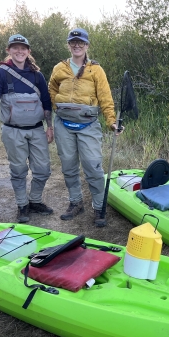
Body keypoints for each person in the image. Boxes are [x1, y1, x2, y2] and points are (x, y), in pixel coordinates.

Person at [0, 34, 54, 223]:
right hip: (12, 131)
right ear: (9, 50)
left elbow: (46, 102)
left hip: (37, 129)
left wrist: (50, 127)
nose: (19, 51)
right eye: (15, 48)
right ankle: (22, 206)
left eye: (23, 48)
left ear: (28, 51)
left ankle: (35, 201)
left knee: (43, 169)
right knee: (18, 170)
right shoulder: (0, 73)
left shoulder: (37, 75)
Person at [49, 28, 123, 227]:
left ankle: (99, 207)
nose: (77, 45)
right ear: (69, 45)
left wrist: (111, 121)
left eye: (80, 42)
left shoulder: (95, 70)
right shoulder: (59, 68)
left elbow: (106, 97)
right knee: (69, 165)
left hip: (88, 125)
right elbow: (52, 89)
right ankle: (76, 202)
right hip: (63, 124)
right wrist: (57, 107)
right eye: (73, 42)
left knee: (93, 165)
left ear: (87, 45)